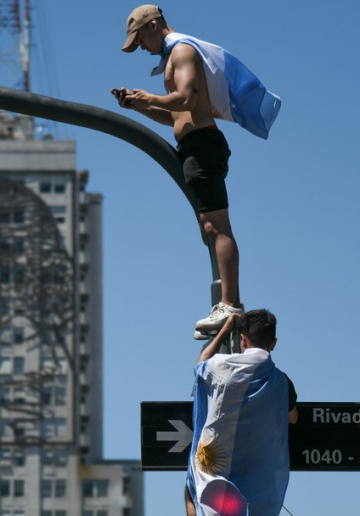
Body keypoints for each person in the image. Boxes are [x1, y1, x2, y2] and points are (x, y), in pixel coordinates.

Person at [113, 5, 281, 338]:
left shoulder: (182, 51)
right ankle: (226, 303)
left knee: (216, 226)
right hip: (194, 147)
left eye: (141, 39)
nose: (141, 48)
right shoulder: (172, 58)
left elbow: (186, 98)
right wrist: (140, 104)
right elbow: (175, 115)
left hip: (203, 147)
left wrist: (151, 97)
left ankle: (229, 304)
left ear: (155, 25)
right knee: (209, 228)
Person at [185, 309, 297, 516]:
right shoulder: (280, 382)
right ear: (274, 343)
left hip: (217, 464)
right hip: (256, 470)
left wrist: (223, 332)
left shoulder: (219, 366)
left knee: (196, 498)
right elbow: (292, 418)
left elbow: (198, 366)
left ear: (242, 339)